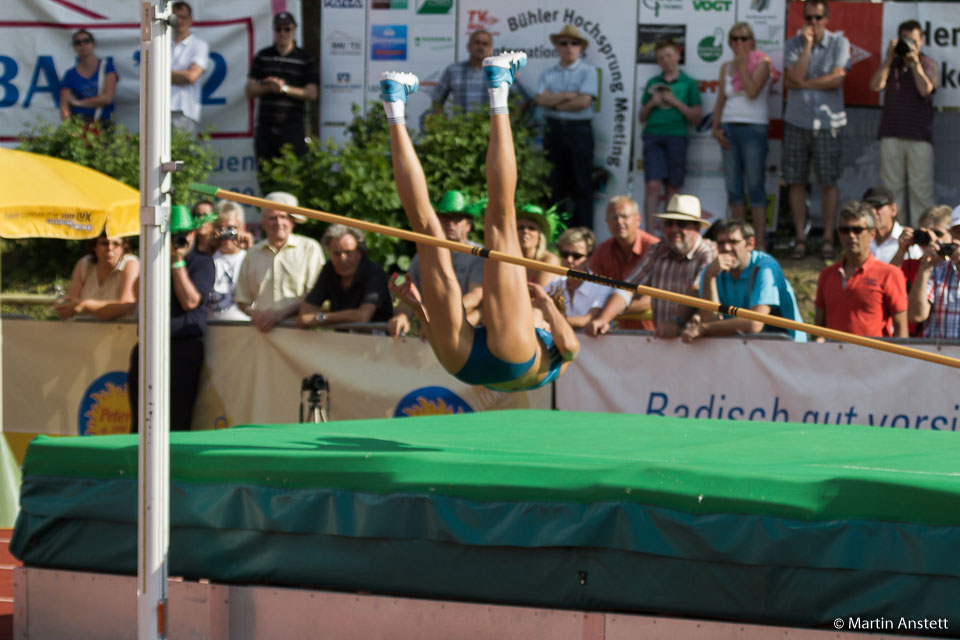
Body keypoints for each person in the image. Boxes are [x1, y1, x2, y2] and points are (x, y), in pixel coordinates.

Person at [380, 52, 579, 391]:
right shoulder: (548, 348)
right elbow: (569, 349)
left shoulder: (543, 316)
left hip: (507, 356)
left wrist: (546, 303)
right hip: (465, 364)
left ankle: (497, 87)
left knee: (499, 221)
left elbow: (572, 348)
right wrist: (416, 305)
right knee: (426, 229)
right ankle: (394, 104)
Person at [128, 205, 215, 432]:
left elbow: (190, 301)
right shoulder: (155, 258)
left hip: (182, 347)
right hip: (149, 344)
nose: (181, 239)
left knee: (177, 416)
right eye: (175, 234)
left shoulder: (202, 262)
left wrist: (177, 262)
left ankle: (172, 466)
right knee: (140, 418)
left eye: (185, 233)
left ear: (194, 233)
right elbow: (136, 293)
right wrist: (151, 259)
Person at [588, 194, 716, 338]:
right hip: (662, 338)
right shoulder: (657, 250)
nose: (674, 229)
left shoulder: (709, 252)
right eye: (669, 223)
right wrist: (603, 319)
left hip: (699, 341)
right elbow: (627, 288)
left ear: (697, 227)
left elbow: (697, 290)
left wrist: (676, 322)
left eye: (681, 224)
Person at [783, 0, 851, 260]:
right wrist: (808, 46)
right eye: (809, 18)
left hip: (828, 124)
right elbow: (793, 77)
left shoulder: (839, 43)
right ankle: (800, 238)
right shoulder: (794, 43)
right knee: (796, 181)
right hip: (796, 121)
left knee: (828, 182)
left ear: (827, 18)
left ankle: (827, 238)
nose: (813, 23)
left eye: (818, 18)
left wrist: (804, 83)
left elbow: (837, 78)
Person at [681, 219, 807, 343]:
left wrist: (704, 328)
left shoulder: (766, 267)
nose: (726, 248)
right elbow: (709, 321)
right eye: (721, 243)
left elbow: (754, 323)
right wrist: (710, 278)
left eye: (733, 242)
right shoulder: (710, 271)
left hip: (790, 349)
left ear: (750, 243)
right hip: (746, 348)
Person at [711, 23, 775, 250]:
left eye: (744, 38)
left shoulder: (763, 62)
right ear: (729, 42)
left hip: (753, 128)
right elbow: (720, 100)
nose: (739, 43)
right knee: (734, 188)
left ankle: (757, 242)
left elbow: (751, 91)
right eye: (735, 39)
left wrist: (742, 65)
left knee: (755, 186)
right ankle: (737, 241)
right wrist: (716, 128)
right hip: (729, 127)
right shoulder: (725, 66)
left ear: (752, 41)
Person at [869, 19, 938, 227]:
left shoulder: (928, 64)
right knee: (892, 191)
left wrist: (914, 61)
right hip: (891, 133)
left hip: (919, 136)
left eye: (914, 41)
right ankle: (896, 238)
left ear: (922, 42)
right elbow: (875, 86)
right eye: (905, 40)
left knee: (921, 191)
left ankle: (922, 241)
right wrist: (890, 58)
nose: (909, 45)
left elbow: (926, 90)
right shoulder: (892, 64)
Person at [389, 190, 484, 337]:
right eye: (445, 218)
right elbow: (410, 295)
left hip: (468, 337)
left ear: (468, 226)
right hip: (428, 337)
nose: (450, 224)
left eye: (456, 219)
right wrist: (402, 315)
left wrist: (442, 319)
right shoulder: (422, 256)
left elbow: (476, 296)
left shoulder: (477, 255)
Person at [246, 11, 319, 191]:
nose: (283, 33)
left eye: (287, 29)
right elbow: (249, 89)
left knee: (294, 180)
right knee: (266, 179)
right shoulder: (263, 55)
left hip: (292, 128)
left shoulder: (304, 58)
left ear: (294, 30)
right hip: (266, 128)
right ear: (274, 31)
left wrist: (284, 88)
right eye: (279, 29)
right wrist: (269, 87)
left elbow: (312, 93)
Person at [233, 192, 325, 333]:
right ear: (263, 222)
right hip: (264, 336)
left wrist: (280, 315)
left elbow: (317, 296)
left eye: (284, 217)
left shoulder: (309, 249)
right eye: (272, 218)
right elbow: (242, 299)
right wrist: (255, 314)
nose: (279, 223)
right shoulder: (253, 253)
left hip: (302, 336)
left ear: (293, 221)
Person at [535, 25, 598, 230]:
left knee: (582, 186)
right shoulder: (547, 73)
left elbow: (583, 103)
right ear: (557, 46)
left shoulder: (588, 71)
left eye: (574, 43)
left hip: (579, 131)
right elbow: (540, 100)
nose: (569, 47)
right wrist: (568, 95)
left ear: (581, 47)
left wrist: (554, 101)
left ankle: (584, 239)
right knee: (554, 186)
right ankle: (555, 236)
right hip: (553, 130)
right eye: (564, 43)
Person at [814, 201, 907, 337]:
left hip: (874, 357)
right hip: (833, 355)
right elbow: (818, 329)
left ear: (872, 234)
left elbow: (902, 333)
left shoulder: (890, 274)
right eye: (845, 230)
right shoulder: (827, 274)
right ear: (839, 234)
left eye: (857, 230)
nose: (851, 236)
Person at [640, 39, 702, 222]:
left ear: (677, 56)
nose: (666, 61)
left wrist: (674, 102)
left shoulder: (688, 83)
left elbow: (697, 117)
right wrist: (653, 103)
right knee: (652, 185)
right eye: (661, 58)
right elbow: (641, 117)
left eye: (669, 56)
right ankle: (650, 238)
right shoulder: (653, 82)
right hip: (653, 136)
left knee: (673, 188)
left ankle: (670, 235)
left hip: (677, 136)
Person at [297, 225, 393, 329]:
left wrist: (321, 317)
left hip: (376, 340)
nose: (343, 259)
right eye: (337, 253)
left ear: (360, 253)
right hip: (342, 340)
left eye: (348, 252)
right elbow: (305, 312)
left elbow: (363, 316)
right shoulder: (329, 269)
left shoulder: (374, 271)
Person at [589, 195, 659, 331]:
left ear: (638, 219)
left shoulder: (655, 248)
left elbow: (658, 299)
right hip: (614, 334)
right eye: (614, 217)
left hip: (657, 334)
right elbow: (593, 293)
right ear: (607, 221)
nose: (619, 222)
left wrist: (611, 310)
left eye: (624, 216)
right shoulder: (602, 251)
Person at [545, 227, 618, 329]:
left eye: (576, 256)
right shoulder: (555, 284)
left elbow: (587, 320)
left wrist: (549, 321)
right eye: (565, 254)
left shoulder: (602, 287)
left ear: (589, 259)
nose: (569, 260)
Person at [55, 232, 138, 320]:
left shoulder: (130, 264)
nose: (110, 248)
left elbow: (127, 307)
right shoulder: (84, 264)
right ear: (94, 246)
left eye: (116, 244)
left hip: (120, 331)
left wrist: (84, 306)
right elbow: (70, 305)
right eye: (104, 243)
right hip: (84, 329)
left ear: (123, 247)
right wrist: (63, 306)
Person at [907, 205, 960, 339]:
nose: (958, 239)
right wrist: (925, 267)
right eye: (956, 231)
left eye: (938, 234)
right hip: (939, 356)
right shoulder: (937, 268)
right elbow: (916, 315)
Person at [59, 30, 118, 124]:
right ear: (74, 47)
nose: (82, 45)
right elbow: (64, 105)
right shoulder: (70, 74)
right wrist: (69, 129)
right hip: (78, 123)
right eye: (78, 43)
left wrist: (77, 103)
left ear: (93, 44)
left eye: (86, 41)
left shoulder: (107, 67)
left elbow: (107, 99)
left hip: (102, 122)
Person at [208, 201, 253, 322]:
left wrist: (251, 250)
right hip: (214, 330)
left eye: (230, 229)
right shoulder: (208, 258)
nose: (225, 234)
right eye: (219, 228)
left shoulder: (250, 256)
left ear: (242, 227)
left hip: (248, 329)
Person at [170, 2, 209, 136]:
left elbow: (191, 77)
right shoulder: (161, 44)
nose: (179, 21)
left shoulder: (199, 45)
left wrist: (159, 74)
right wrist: (178, 76)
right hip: (159, 109)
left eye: (183, 17)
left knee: (182, 155)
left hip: (184, 111)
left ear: (190, 20)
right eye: (176, 17)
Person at [863, 186, 922, 266]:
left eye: (878, 207)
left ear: (893, 209)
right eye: (868, 208)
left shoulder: (909, 240)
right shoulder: (861, 237)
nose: (873, 212)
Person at [517, 204, 561, 288]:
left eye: (531, 228)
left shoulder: (549, 260)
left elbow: (538, 296)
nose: (525, 231)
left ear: (540, 236)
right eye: (520, 227)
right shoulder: (507, 258)